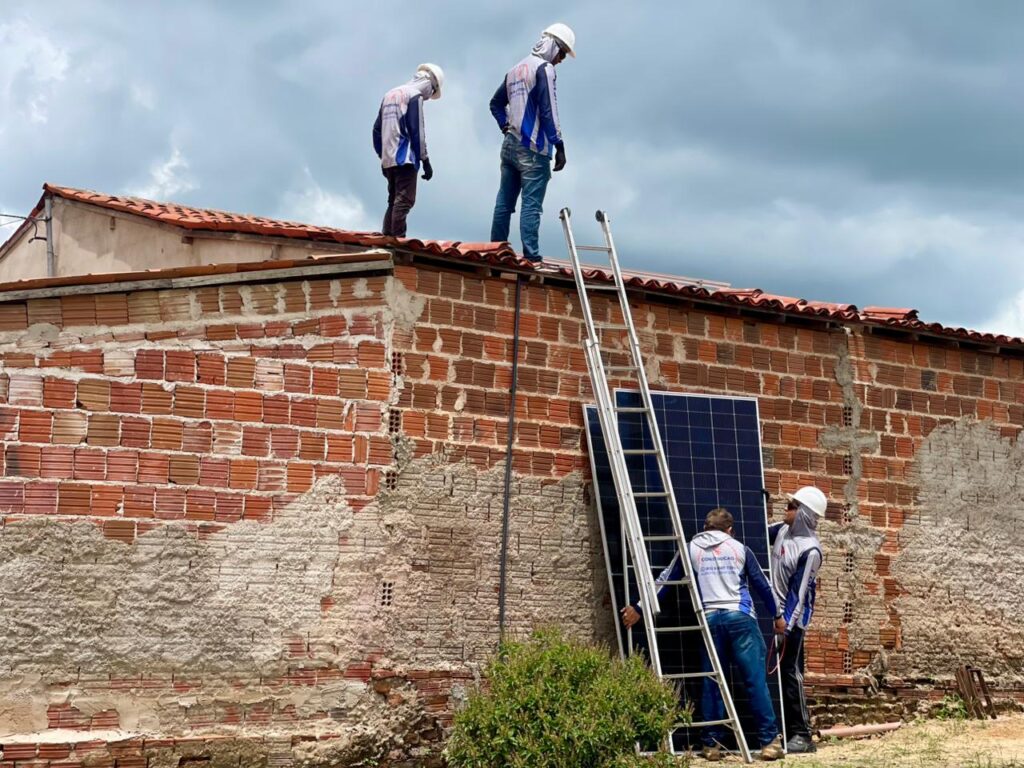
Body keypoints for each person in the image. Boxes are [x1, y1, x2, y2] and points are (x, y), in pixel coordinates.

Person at [621, 508, 785, 762]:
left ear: (705, 527)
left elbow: (664, 581)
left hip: (709, 621)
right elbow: (763, 585)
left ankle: (711, 745)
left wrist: (639, 608)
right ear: (730, 530)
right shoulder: (739, 549)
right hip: (740, 618)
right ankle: (769, 742)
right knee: (754, 681)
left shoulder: (690, 549)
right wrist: (778, 617)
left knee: (712, 682)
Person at [488, 23, 576, 263]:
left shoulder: (515, 69)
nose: (560, 60)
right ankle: (531, 256)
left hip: (509, 145)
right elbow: (549, 110)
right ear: (554, 47)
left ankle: (496, 251)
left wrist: (505, 125)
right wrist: (559, 144)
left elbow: (495, 103)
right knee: (531, 205)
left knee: (504, 202)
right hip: (534, 148)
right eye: (562, 54)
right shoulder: (544, 69)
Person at [770, 486, 826, 754]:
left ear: (803, 513)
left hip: (793, 619)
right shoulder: (782, 531)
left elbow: (799, 592)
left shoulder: (811, 550)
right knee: (780, 674)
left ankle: (802, 735)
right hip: (777, 615)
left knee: (791, 673)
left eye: (791, 506)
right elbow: (757, 531)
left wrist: (786, 625)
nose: (786, 509)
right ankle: (783, 728)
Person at [372, 63, 444, 237]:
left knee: (393, 201)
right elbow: (416, 130)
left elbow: (376, 130)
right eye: (432, 92)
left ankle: (387, 237)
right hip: (405, 159)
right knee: (404, 201)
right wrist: (425, 160)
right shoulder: (414, 96)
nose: (429, 97)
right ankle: (398, 241)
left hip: (389, 158)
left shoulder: (390, 94)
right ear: (430, 84)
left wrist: (383, 156)